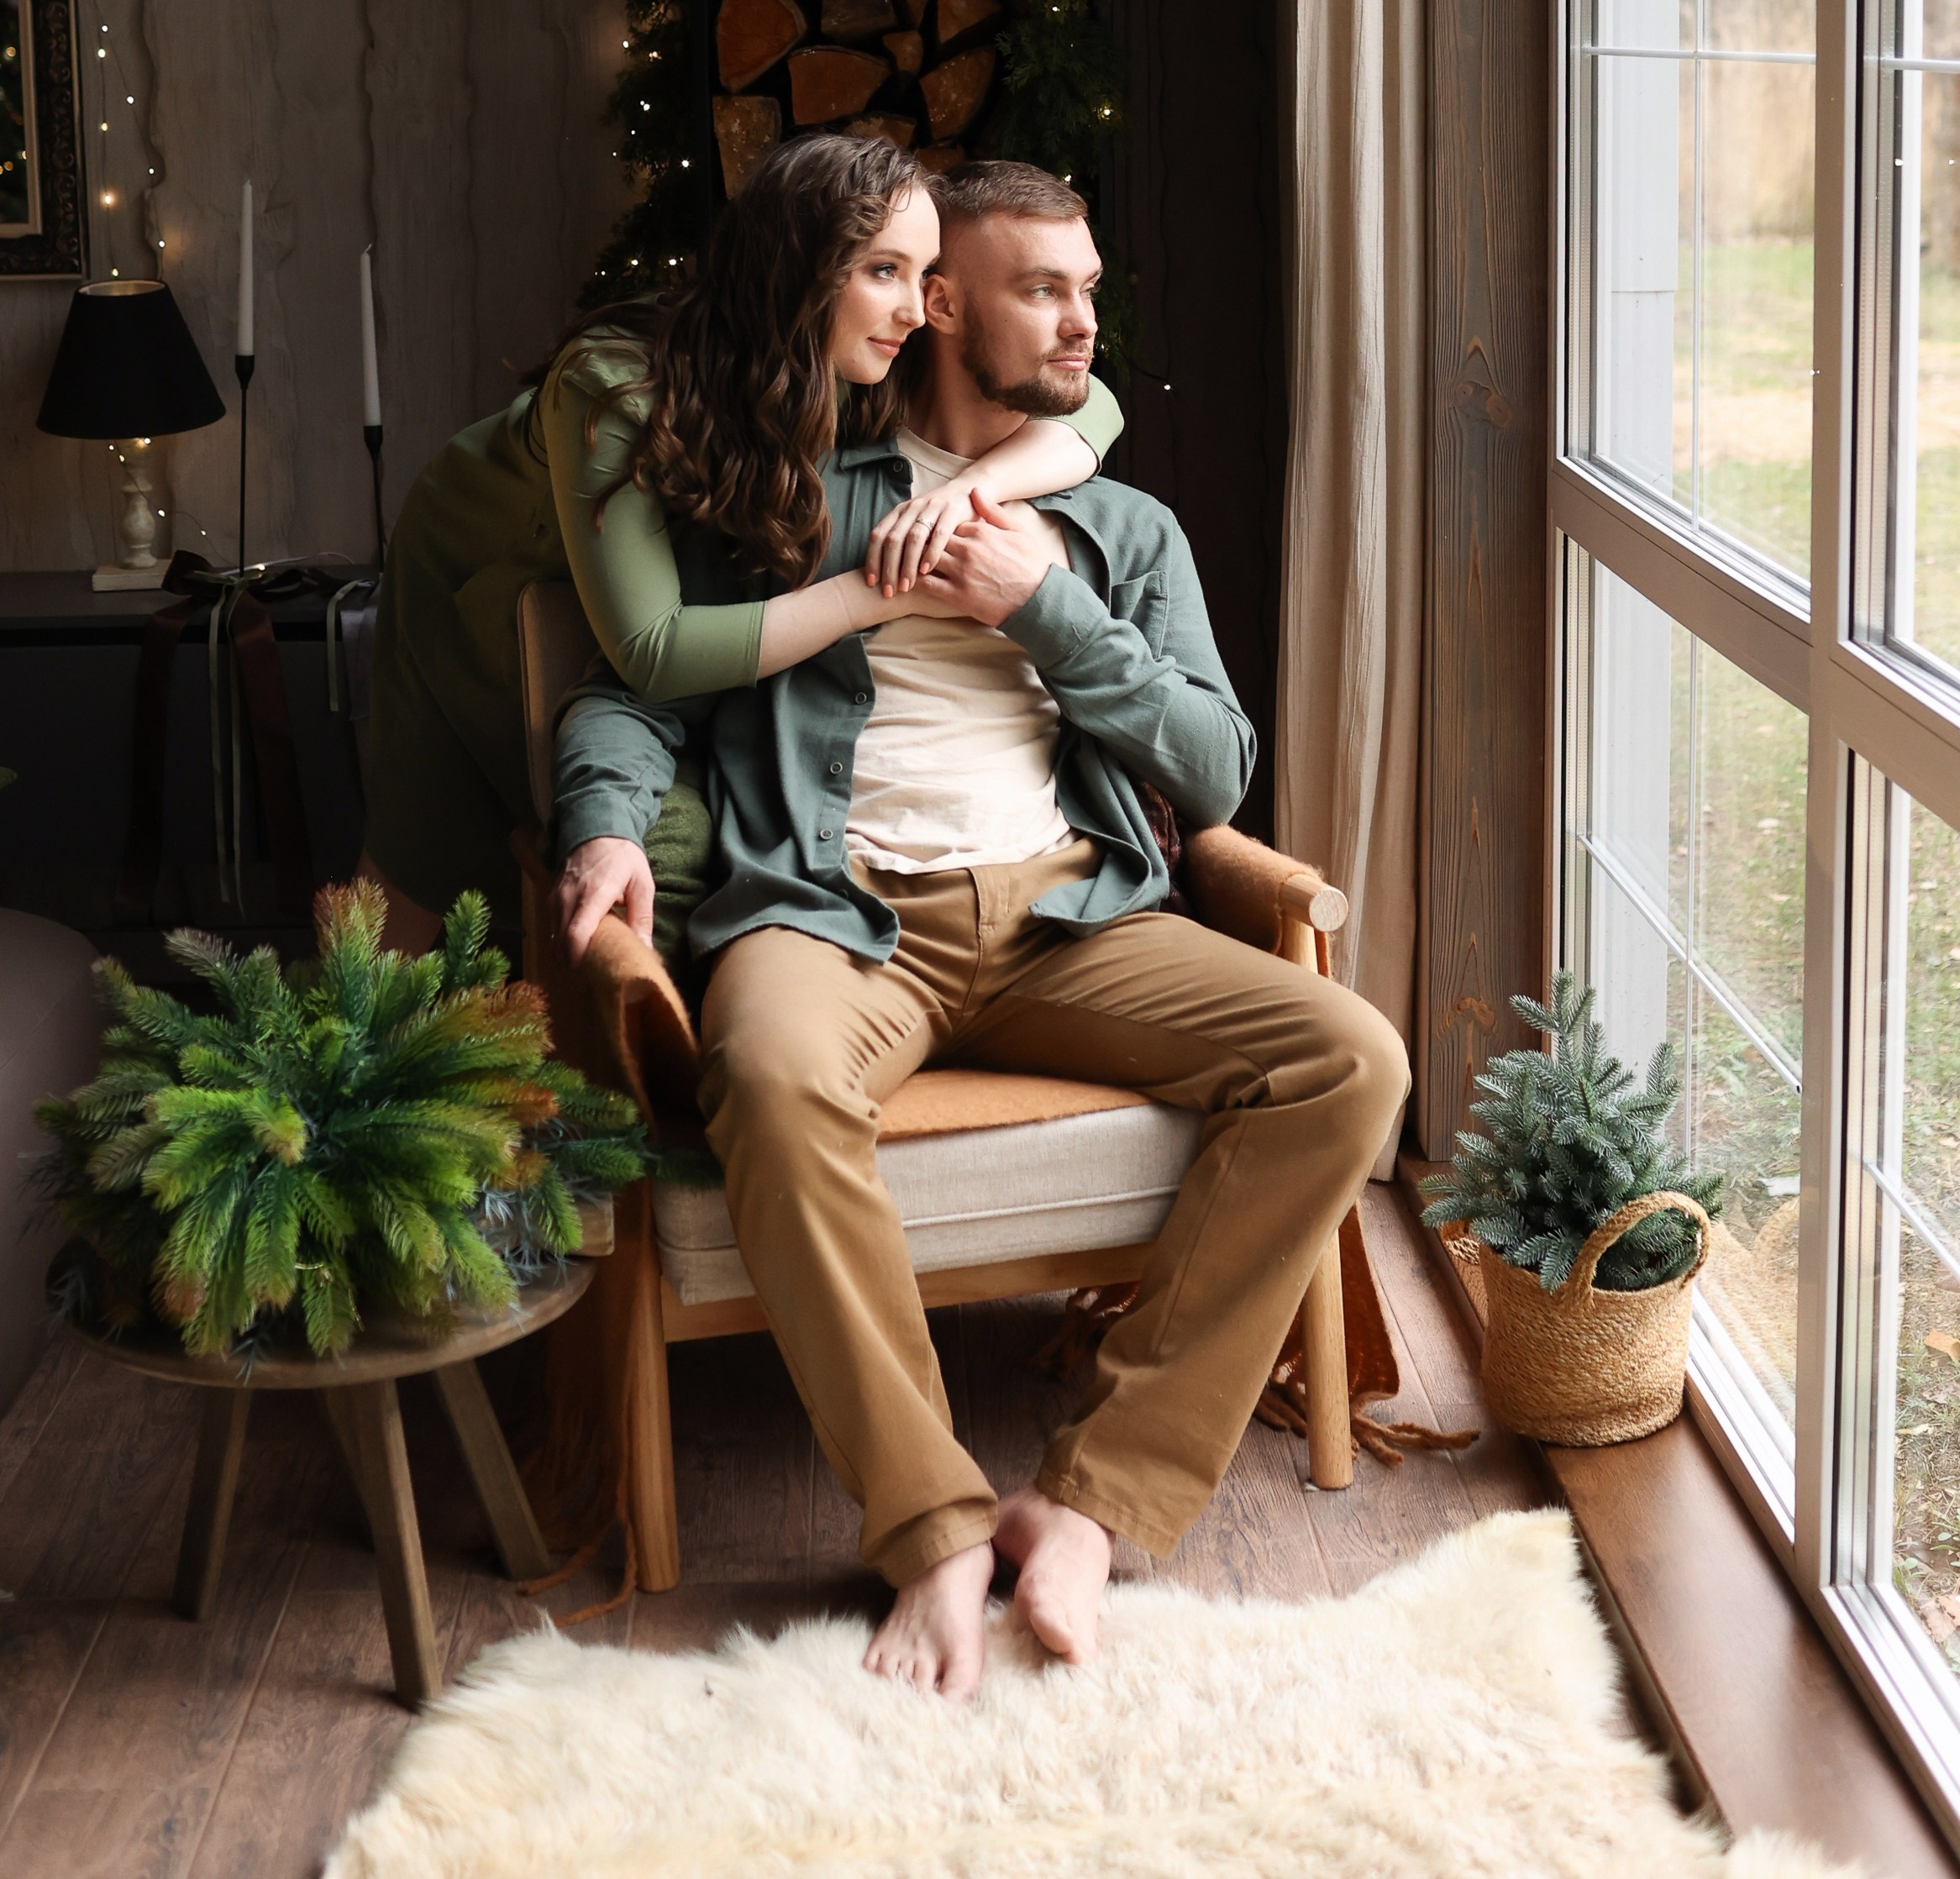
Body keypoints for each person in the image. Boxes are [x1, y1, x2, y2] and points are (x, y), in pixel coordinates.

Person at [550, 160, 1411, 1703]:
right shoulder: (792, 492)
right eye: (1044, 291)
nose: (1083, 322)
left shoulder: (1120, 525)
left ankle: (1091, 1506)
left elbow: (1216, 772)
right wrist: (605, 822)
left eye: (1090, 291)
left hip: (1070, 918)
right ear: (940, 304)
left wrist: (1044, 605)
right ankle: (933, 1529)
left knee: (1350, 1059)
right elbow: (636, 689)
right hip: (833, 916)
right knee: (767, 1076)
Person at [362, 137, 1122, 953]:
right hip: (495, 554)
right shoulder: (615, 383)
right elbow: (654, 653)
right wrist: (880, 588)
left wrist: (961, 496)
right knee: (433, 822)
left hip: (659, 562)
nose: (914, 307)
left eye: (923, 273)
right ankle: (352, 1017)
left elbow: (1091, 406)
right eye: (882, 270)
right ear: (799, 265)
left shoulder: (870, 346)